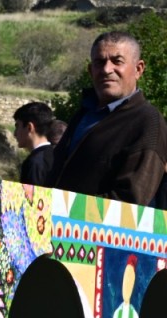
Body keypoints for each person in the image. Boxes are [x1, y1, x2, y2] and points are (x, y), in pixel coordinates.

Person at [48, 32, 167, 205]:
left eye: (117, 61)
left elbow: (130, 200)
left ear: (138, 69)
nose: (106, 69)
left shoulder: (147, 122)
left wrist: (65, 212)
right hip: (53, 226)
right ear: (90, 70)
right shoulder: (82, 116)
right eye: (99, 62)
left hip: (89, 230)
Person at [13, 101, 55, 186]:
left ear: (29, 127)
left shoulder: (34, 163)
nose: (15, 133)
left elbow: (31, 197)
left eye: (17, 127)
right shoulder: (56, 154)